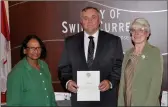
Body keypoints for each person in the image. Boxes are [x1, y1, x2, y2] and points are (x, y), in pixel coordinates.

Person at [58, 6, 123, 107]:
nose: (89, 21)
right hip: (80, 101)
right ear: (81, 22)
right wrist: (68, 82)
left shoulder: (113, 41)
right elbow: (64, 68)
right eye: (85, 18)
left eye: (93, 17)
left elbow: (118, 66)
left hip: (105, 100)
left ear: (99, 20)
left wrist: (110, 82)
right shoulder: (70, 42)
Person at [118, 18, 163, 106]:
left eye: (141, 30)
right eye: (133, 30)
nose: (136, 33)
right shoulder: (128, 53)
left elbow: (155, 87)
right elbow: (123, 83)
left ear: (147, 33)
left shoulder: (154, 52)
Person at [7, 35, 57, 106]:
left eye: (38, 48)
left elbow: (51, 95)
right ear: (25, 50)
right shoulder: (16, 73)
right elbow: (13, 104)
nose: (36, 51)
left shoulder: (44, 65)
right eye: (32, 48)